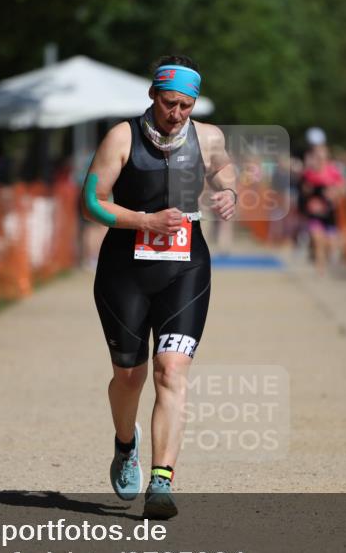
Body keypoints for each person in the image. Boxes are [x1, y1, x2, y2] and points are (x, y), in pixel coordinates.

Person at [83, 55, 235, 519]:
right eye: (170, 104)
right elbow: (91, 200)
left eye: (186, 106)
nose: (178, 115)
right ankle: (125, 443)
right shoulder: (122, 137)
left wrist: (226, 190)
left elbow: (224, 169)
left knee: (171, 370)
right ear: (153, 95)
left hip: (185, 268)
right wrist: (144, 220)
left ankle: (162, 482)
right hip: (124, 270)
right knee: (130, 376)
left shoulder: (208, 136)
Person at [300, 144, 345, 275]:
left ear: (326, 157)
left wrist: (334, 192)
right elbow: (303, 190)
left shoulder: (333, 171)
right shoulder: (309, 173)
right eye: (317, 156)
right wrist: (307, 193)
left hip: (329, 212)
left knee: (330, 244)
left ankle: (330, 254)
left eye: (322, 155)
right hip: (314, 212)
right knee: (317, 239)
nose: (319, 158)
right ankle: (320, 268)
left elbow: (342, 188)